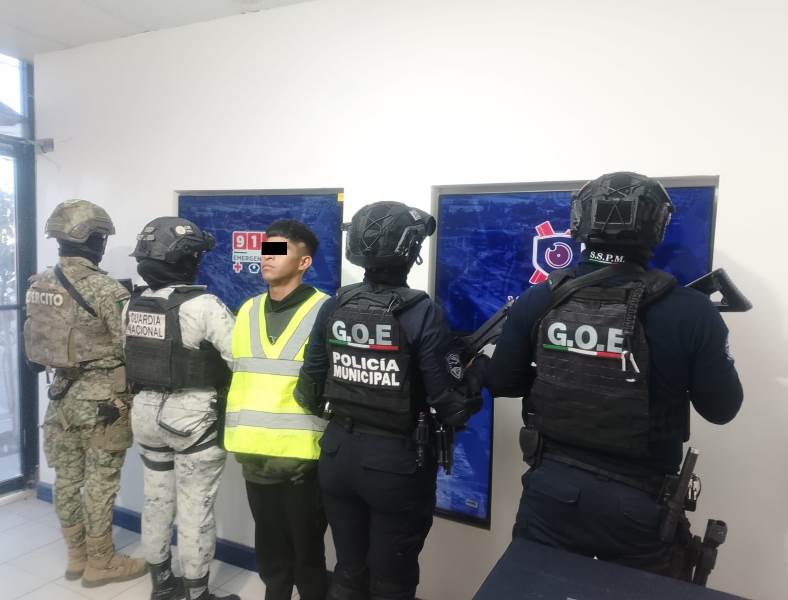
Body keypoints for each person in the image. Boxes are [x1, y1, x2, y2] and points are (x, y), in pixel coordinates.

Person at [486, 171, 744, 578]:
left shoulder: (539, 299)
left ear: (581, 221)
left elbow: (502, 382)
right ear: (656, 225)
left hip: (550, 493)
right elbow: (722, 408)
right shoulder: (692, 311)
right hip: (641, 510)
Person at [296, 201, 487, 600]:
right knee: (391, 582)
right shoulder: (422, 312)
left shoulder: (335, 304)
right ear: (411, 250)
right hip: (395, 465)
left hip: (337, 456)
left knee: (348, 571)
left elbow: (308, 391)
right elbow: (452, 407)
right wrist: (476, 373)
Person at [24, 199, 147, 587]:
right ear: (95, 241)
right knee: (100, 482)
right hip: (102, 401)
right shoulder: (107, 290)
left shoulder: (39, 284)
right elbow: (131, 346)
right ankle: (101, 561)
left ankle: (76, 557)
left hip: (60, 397)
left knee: (66, 479)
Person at [124, 217, 238, 600]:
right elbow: (239, 357)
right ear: (187, 259)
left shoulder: (132, 304)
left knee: (156, 501)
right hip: (191, 419)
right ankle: (197, 593)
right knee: (194, 509)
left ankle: (162, 585)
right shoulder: (204, 305)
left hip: (145, 414)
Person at [223, 219, 330, 600]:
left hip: (303, 459)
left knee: (308, 554)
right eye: (265, 251)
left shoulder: (325, 311)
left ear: (304, 262)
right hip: (255, 456)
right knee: (270, 552)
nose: (267, 258)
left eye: (278, 251)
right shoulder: (248, 310)